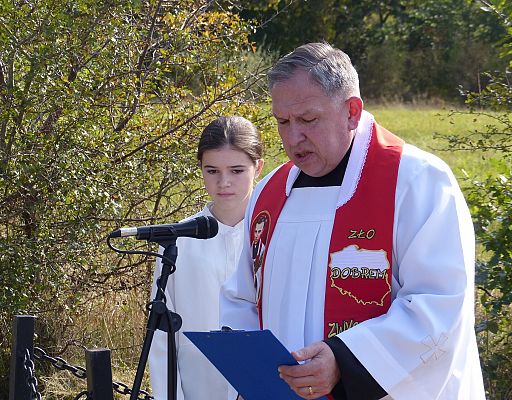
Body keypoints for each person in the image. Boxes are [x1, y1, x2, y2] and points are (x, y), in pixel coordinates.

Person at [220, 42, 486, 399]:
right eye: (282, 121)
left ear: (352, 112)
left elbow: (438, 304)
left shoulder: (416, 181)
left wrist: (344, 362)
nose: (292, 137)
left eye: (308, 120)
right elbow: (241, 298)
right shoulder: (270, 194)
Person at [148, 116, 264, 400]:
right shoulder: (179, 241)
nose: (223, 182)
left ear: (258, 167)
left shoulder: (277, 235)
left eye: (237, 170)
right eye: (212, 170)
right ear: (200, 168)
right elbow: (162, 337)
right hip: (199, 387)